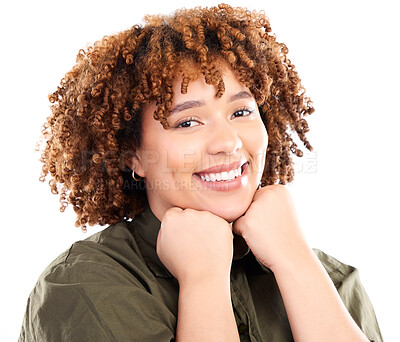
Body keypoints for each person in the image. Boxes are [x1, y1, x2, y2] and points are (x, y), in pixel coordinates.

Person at [19, 3, 383, 341]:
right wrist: (203, 282)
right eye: (188, 122)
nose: (227, 142)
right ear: (133, 156)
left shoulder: (331, 280)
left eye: (241, 112)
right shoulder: (85, 284)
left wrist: (297, 263)